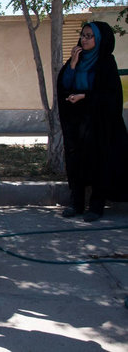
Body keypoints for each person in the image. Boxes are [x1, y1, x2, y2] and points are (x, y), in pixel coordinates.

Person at [58, 21, 128, 222]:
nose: (85, 39)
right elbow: (64, 85)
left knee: (99, 162)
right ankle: (76, 203)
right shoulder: (76, 60)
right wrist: (72, 64)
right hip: (76, 121)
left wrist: (85, 97)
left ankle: (96, 206)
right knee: (76, 161)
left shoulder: (106, 63)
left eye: (90, 36)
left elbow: (112, 96)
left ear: (99, 39)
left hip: (99, 122)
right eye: (83, 35)